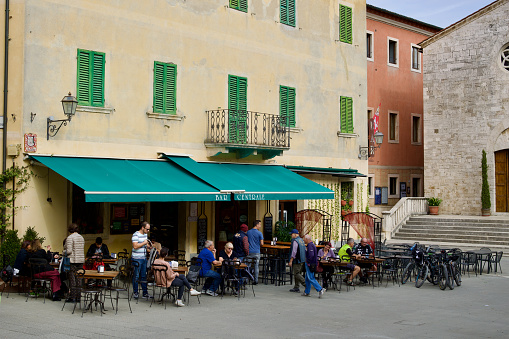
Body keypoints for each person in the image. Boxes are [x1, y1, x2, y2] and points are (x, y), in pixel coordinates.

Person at [131, 221, 153, 299]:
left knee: (144, 276)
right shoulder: (135, 235)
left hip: (143, 258)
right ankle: (135, 292)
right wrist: (144, 243)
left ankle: (145, 293)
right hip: (136, 258)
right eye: (147, 229)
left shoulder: (145, 235)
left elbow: (145, 245)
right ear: (142, 228)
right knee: (136, 276)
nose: (148, 231)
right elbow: (135, 246)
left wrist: (149, 247)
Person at [65, 223, 85, 302]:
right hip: (80, 260)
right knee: (79, 278)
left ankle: (72, 297)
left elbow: (69, 251)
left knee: (72, 279)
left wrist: (63, 252)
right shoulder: (81, 237)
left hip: (73, 260)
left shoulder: (70, 238)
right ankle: (78, 297)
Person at [288, 229, 306, 293]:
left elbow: (294, 252)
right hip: (302, 259)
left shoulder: (295, 241)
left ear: (295, 234)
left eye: (292, 234)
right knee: (298, 273)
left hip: (297, 260)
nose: (291, 235)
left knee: (296, 273)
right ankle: (296, 287)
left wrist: (291, 260)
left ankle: (306, 284)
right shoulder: (301, 240)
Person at [246, 220, 264, 284]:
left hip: (249, 251)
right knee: (256, 266)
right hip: (256, 251)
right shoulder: (259, 233)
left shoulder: (248, 232)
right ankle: (255, 280)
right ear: (256, 225)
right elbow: (262, 243)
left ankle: (246, 280)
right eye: (260, 224)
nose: (260, 226)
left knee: (248, 265)